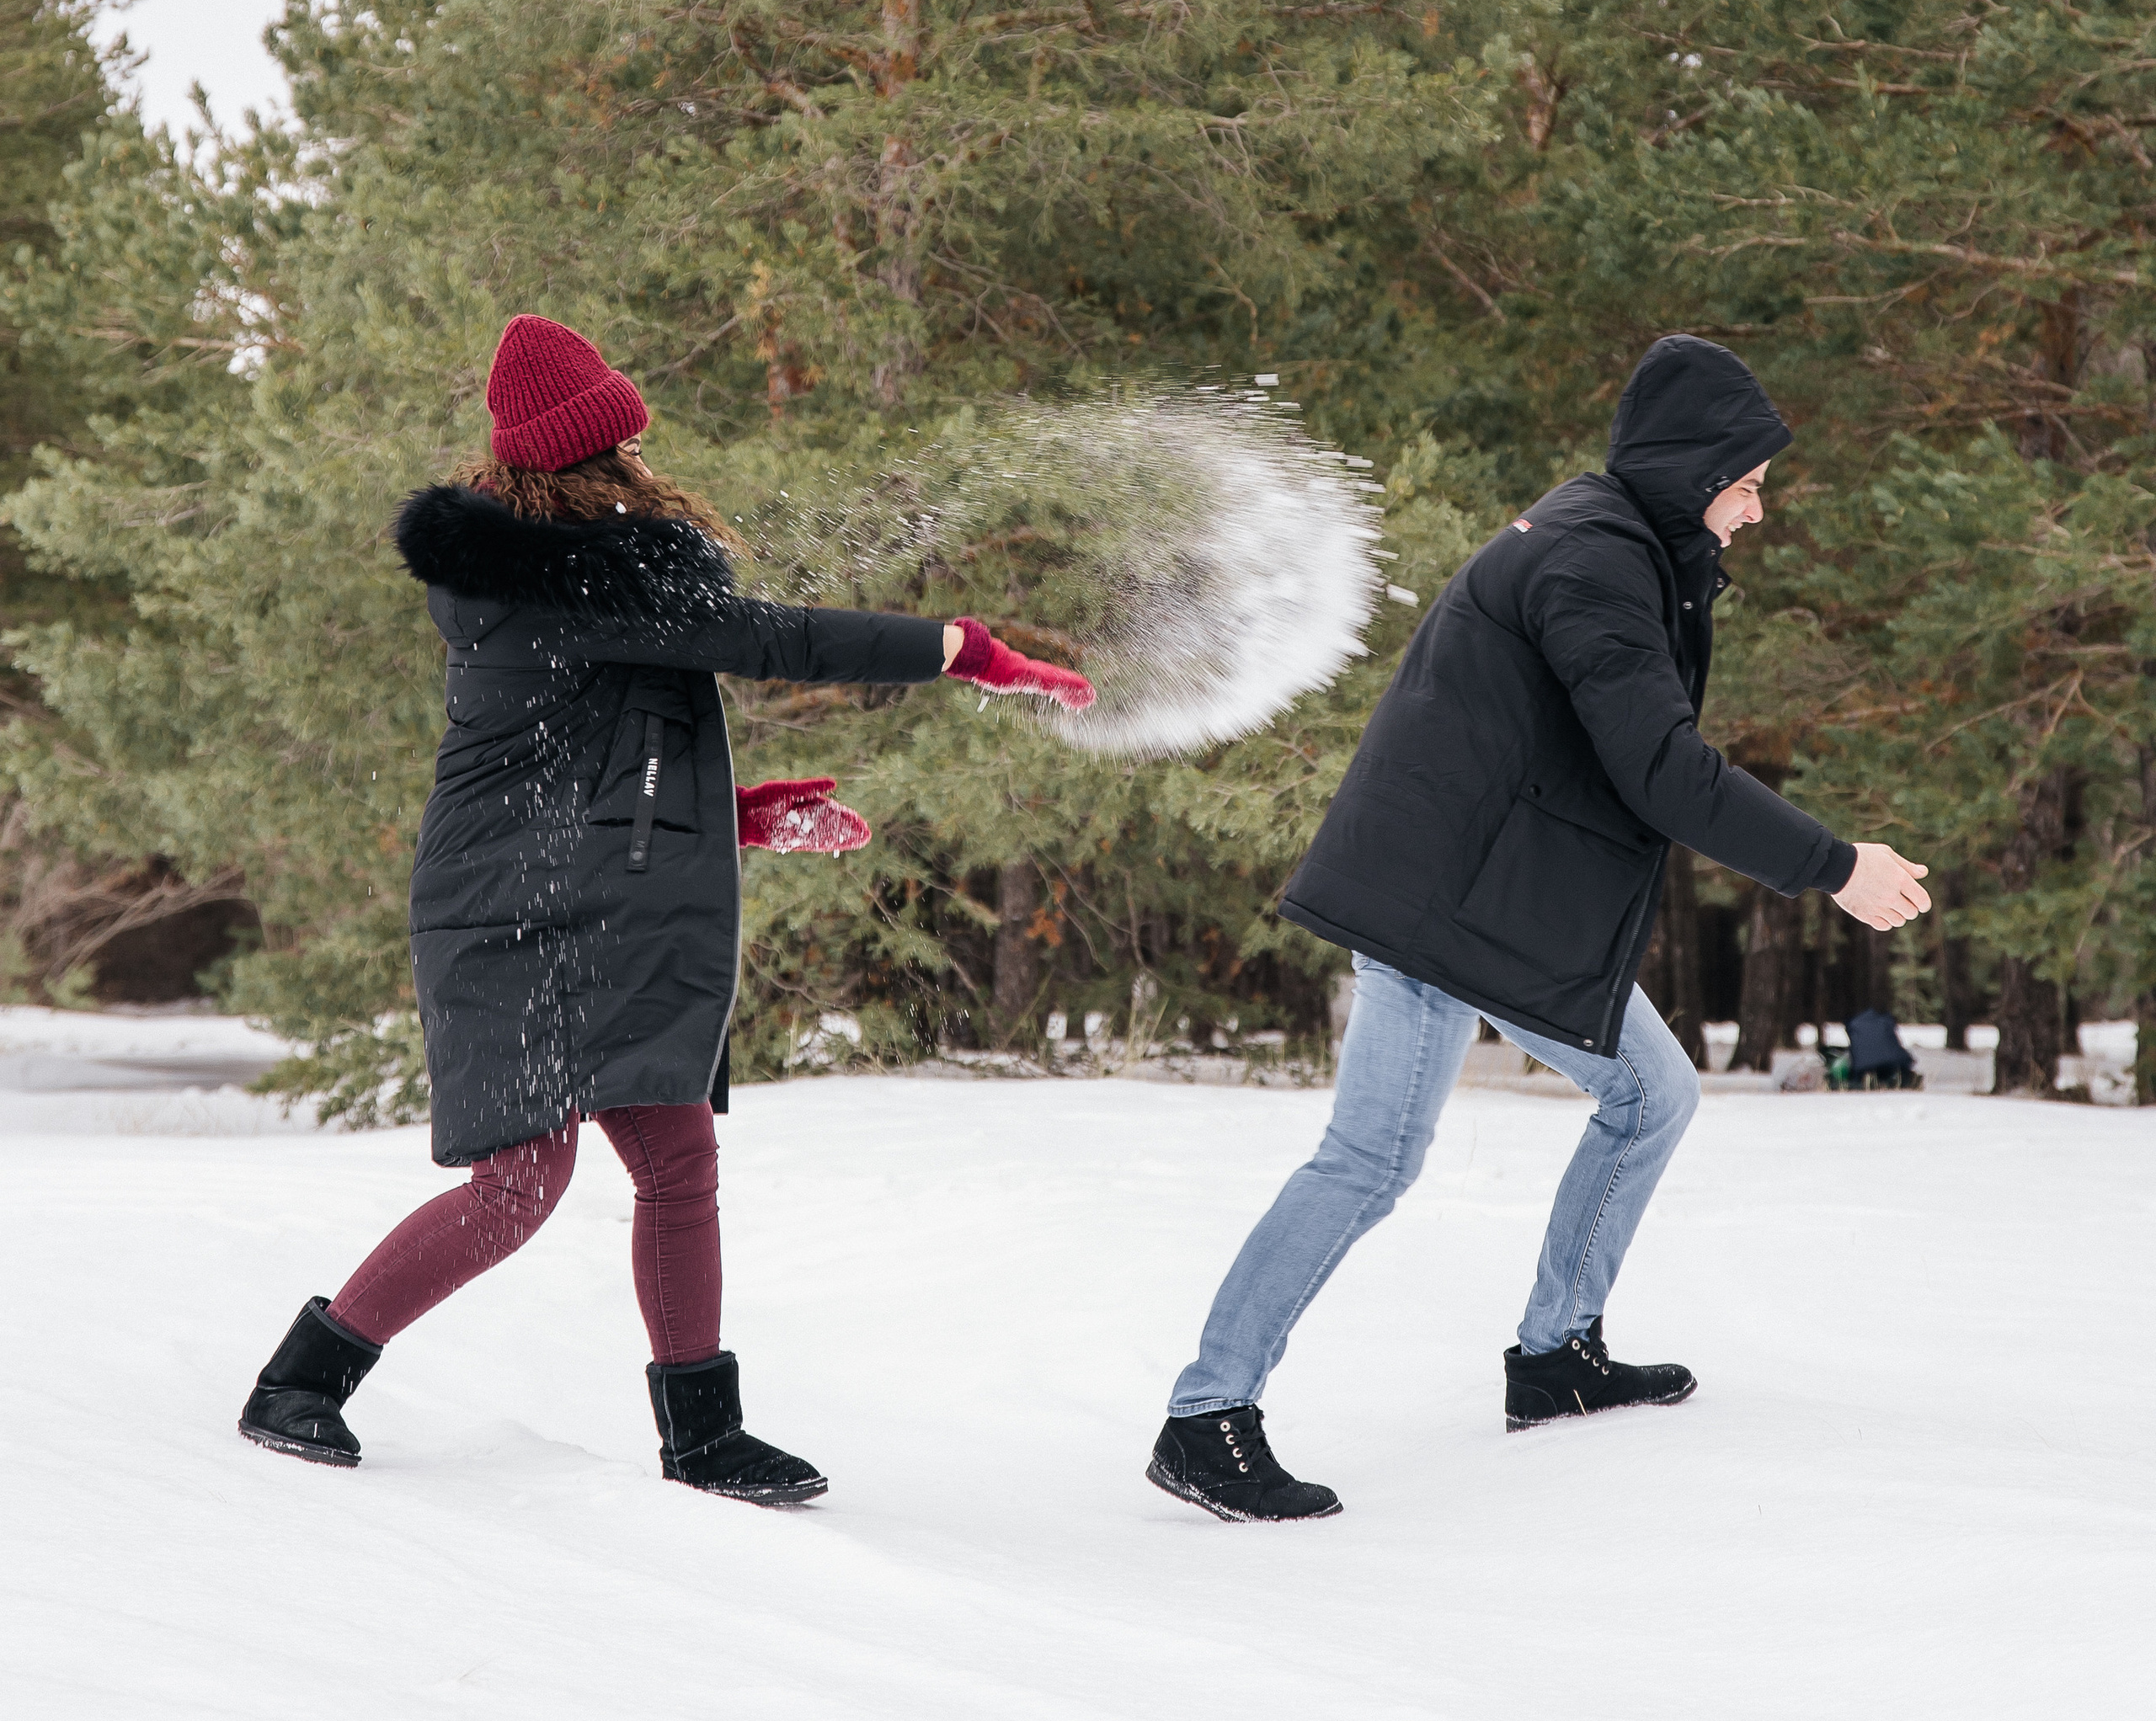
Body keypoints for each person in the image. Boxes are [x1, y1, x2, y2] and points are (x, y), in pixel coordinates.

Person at [238, 312, 1091, 1504]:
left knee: (677, 1158)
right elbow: (771, 636)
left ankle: (703, 1434)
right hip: (512, 911)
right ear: (584, 455)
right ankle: (301, 1382)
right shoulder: (557, 581)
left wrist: (732, 813)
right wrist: (961, 649)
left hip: (574, 890)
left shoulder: (590, 578)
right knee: (520, 1185)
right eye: (619, 442)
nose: (639, 457)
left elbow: (592, 752)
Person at [1146, 333, 1931, 1524]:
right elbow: (1662, 770)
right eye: (1751, 482)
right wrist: (1834, 866)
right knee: (1369, 1160)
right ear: (1693, 470)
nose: (1760, 509)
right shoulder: (1591, 563)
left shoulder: (1619, 546)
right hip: (1441, 906)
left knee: (1651, 1096)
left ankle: (1557, 1357)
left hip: (1489, 900)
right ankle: (1208, 1418)